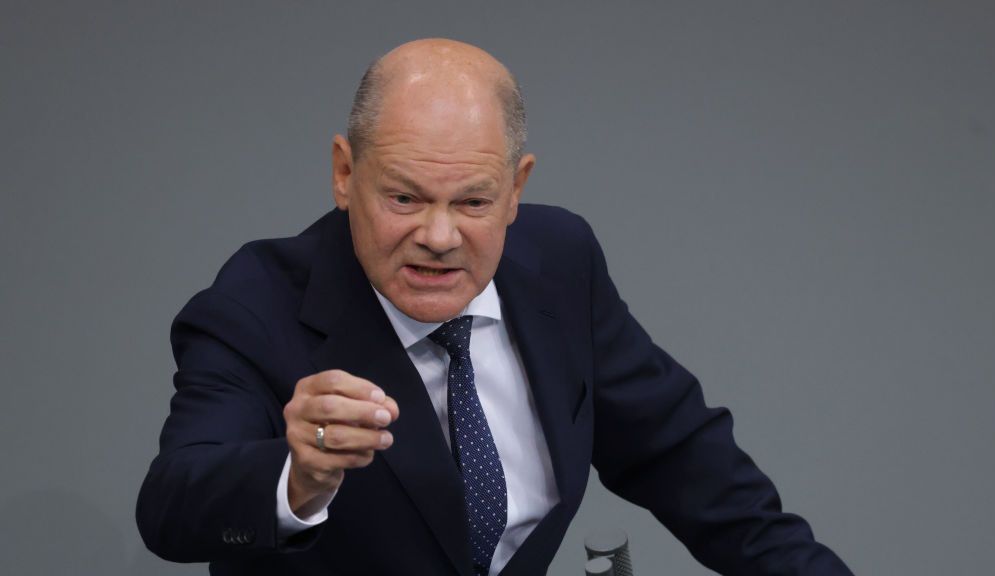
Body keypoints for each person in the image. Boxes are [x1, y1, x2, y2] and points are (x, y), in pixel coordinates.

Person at [136, 38, 853, 575]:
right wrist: (296, 477)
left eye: (473, 202)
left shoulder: (559, 263)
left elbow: (682, 455)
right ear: (345, 174)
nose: (439, 238)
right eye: (405, 197)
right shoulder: (256, 304)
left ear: (516, 189)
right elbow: (170, 507)